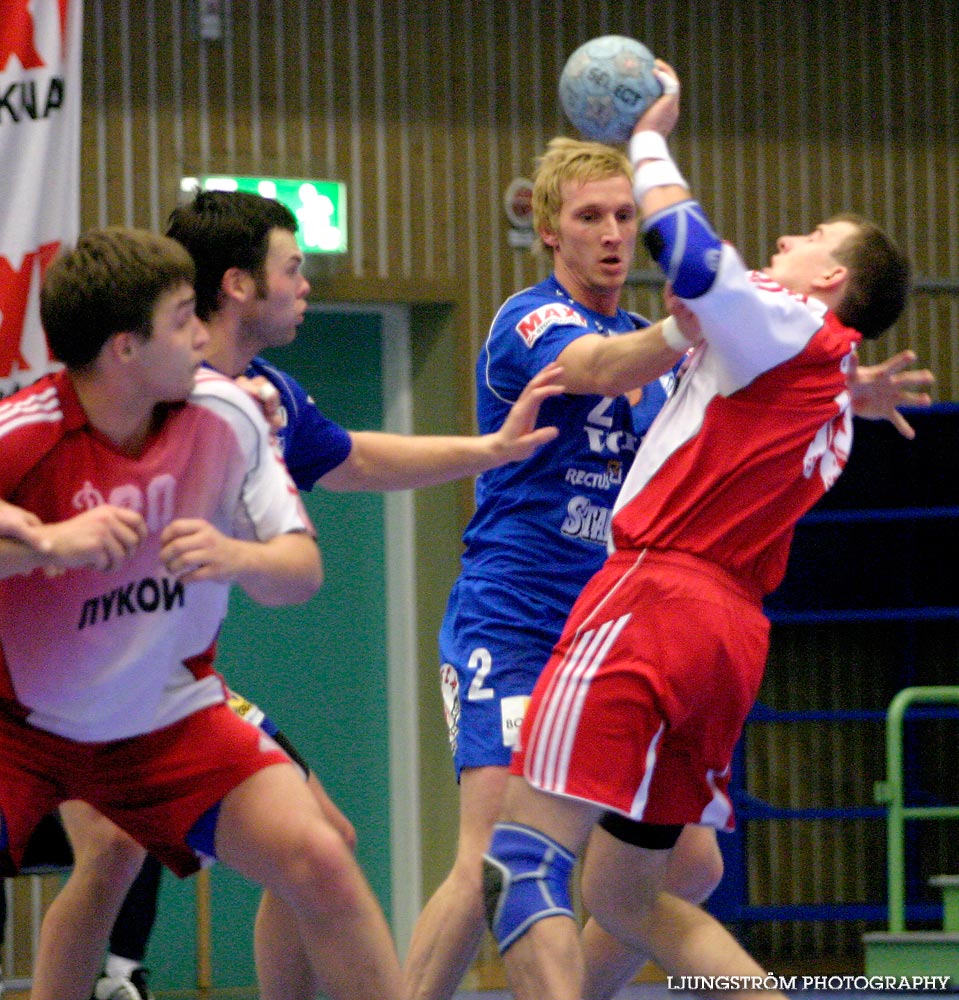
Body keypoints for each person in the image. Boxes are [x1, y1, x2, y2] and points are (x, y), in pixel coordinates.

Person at [26, 191, 564, 1000]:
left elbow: (355, 460)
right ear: (239, 285)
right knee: (110, 854)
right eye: (294, 266)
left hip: (161, 679)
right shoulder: (145, 387)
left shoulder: (262, 396)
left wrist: (490, 449)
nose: (308, 283)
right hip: (66, 672)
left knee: (313, 847)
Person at [482, 62, 917, 1000]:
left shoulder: (781, 318)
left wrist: (648, 133)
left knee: (515, 857)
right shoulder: (824, 389)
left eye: (807, 238)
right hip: (728, 636)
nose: (784, 239)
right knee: (626, 895)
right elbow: (764, 389)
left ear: (829, 278)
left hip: (652, 594)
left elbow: (683, 243)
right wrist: (857, 386)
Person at [0, 226, 418, 1000]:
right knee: (110, 862)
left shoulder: (228, 416)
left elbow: (301, 572)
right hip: (17, 726)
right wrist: (48, 543)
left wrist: (241, 557)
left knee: (322, 853)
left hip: (164, 721)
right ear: (126, 348)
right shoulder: (24, 436)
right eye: (185, 317)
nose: (203, 336)